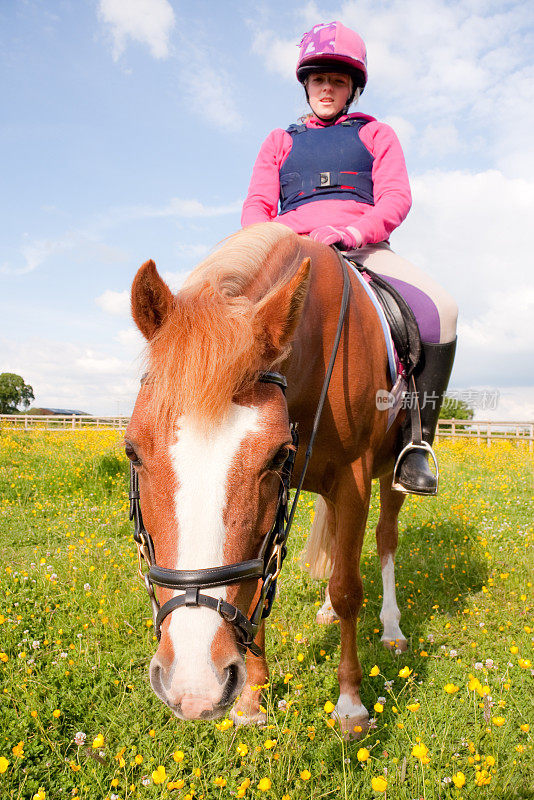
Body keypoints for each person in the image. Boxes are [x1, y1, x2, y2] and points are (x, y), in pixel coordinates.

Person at [241, 20, 458, 496]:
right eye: (319, 78)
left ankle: (415, 443)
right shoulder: (280, 140)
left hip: (363, 245)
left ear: (352, 88)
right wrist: (270, 240)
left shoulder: (376, 133)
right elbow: (256, 206)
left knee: (441, 309)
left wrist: (353, 231)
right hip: (290, 249)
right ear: (306, 84)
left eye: (337, 80)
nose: (326, 87)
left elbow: (396, 198)